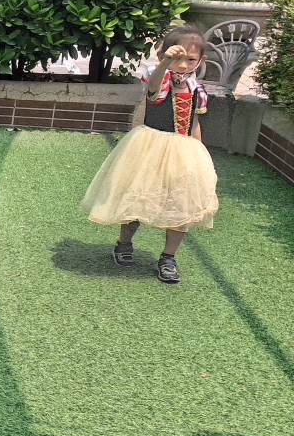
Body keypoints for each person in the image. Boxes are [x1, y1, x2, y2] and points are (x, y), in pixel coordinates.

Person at [80, 24, 218, 284]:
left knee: (181, 205)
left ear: (201, 61)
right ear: (163, 55)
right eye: (176, 58)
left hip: (183, 153)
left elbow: (194, 123)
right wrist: (164, 64)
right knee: (138, 198)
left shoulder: (196, 90)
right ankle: (124, 243)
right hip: (148, 150)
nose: (183, 65)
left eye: (191, 60)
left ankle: (169, 257)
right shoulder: (160, 79)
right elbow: (153, 89)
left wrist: (200, 154)